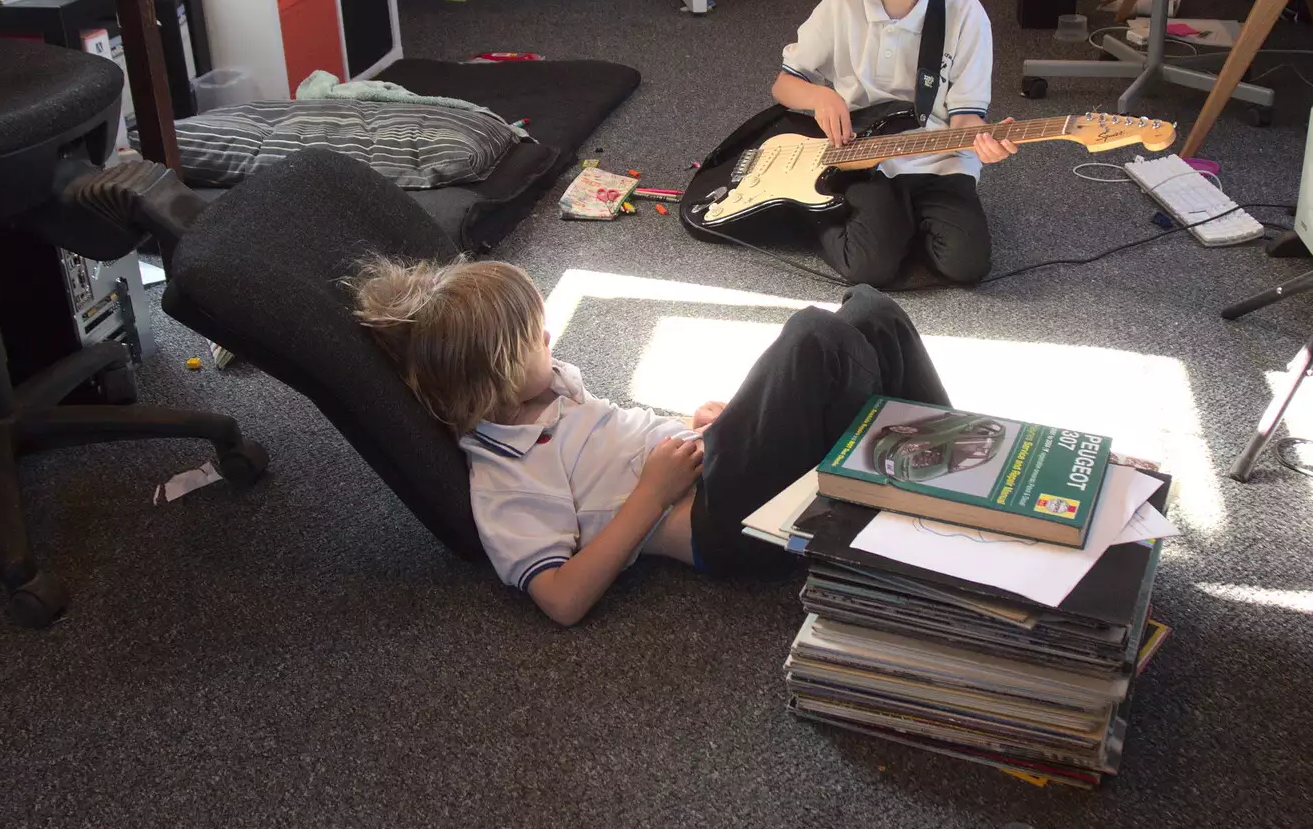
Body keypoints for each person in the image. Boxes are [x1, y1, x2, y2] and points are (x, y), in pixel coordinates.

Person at [350, 256, 951, 626]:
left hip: (709, 467)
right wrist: (651, 493)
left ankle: (959, 459)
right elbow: (561, 600)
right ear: (498, 378)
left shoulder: (545, 390)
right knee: (815, 339)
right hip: (720, 525)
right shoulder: (505, 479)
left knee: (871, 312)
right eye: (537, 338)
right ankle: (945, 482)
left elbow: (612, 443)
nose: (550, 336)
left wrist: (706, 428)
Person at [773, 0, 1018, 288]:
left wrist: (982, 140)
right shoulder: (840, 3)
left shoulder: (966, 15)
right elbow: (785, 83)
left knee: (967, 265)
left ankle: (893, 223)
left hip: (941, 159)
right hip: (864, 158)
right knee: (868, 268)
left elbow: (965, 116)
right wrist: (822, 97)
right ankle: (811, 213)